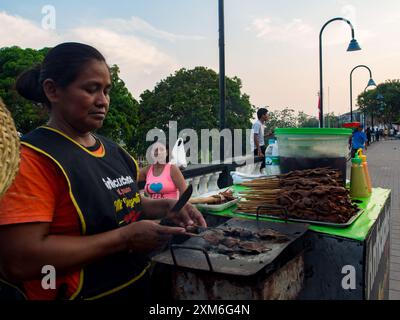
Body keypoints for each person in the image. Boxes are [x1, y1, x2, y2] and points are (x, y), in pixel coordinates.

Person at [0, 42, 206, 301]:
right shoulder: (33, 159)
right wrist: (124, 239)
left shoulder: (113, 151)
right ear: (52, 90)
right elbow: (20, 260)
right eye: (91, 89)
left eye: (107, 91)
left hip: (135, 285)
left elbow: (121, 204)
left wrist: (166, 206)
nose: (103, 101)